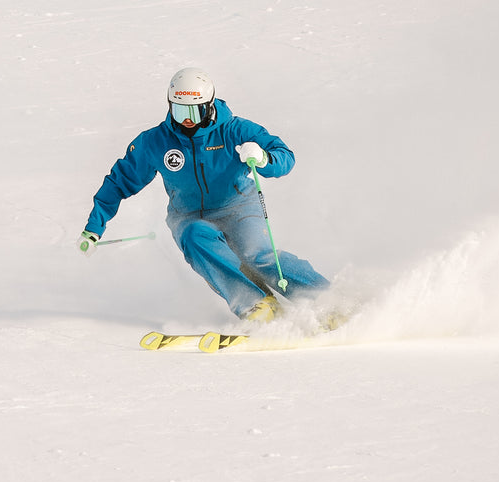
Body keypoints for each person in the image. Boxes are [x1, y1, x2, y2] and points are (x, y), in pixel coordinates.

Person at [78, 67, 328, 323]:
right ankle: (257, 306)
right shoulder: (155, 141)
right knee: (194, 237)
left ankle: (325, 297)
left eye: (194, 111)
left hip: (239, 207)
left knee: (257, 255)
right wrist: (94, 226)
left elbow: (285, 157)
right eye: (179, 110)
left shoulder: (235, 130)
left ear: (208, 106)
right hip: (189, 216)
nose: (187, 119)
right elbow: (119, 181)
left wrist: (263, 158)